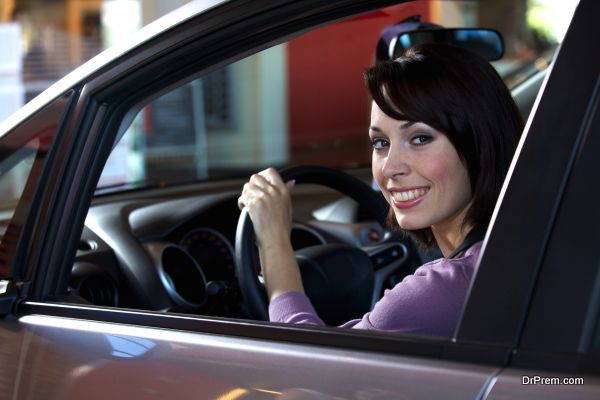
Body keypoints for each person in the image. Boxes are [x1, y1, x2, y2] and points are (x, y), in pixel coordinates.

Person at [237, 43, 523, 337]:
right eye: (381, 143)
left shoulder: (448, 287)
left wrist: (273, 244)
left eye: (421, 138)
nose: (389, 168)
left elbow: (310, 367)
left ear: (479, 144)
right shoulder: (519, 251)